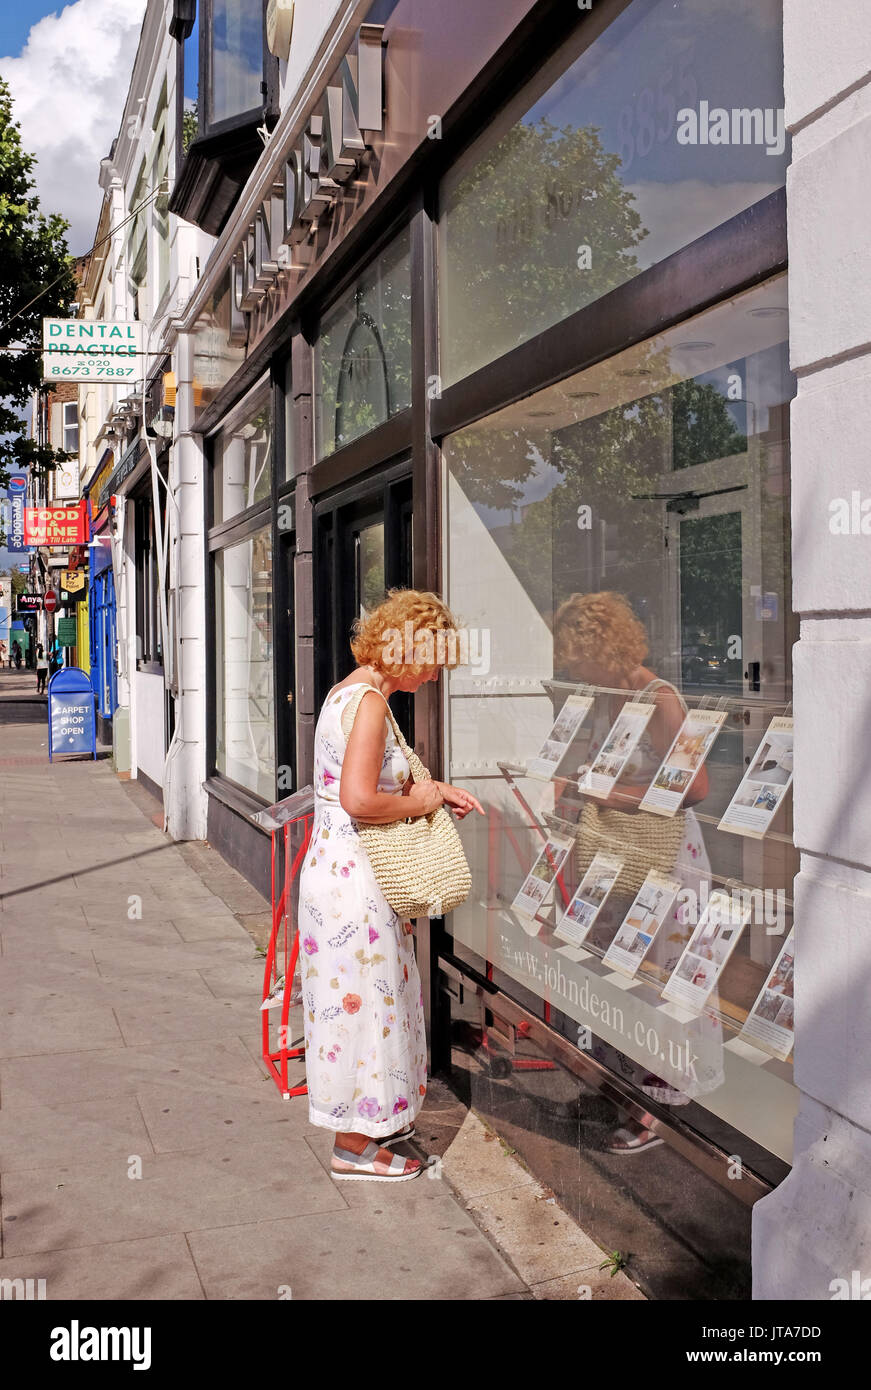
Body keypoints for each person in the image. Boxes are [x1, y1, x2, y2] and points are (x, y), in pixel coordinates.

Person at [298, 588, 484, 1182]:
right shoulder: (373, 703)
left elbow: (350, 789)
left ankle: (370, 1124)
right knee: (364, 1007)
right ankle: (354, 1147)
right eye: (432, 660)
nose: (433, 676)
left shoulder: (348, 692)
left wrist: (431, 792)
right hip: (356, 880)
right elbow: (358, 799)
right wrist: (421, 800)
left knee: (356, 1004)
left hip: (339, 872)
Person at [553, 591, 721, 1153]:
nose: (573, 667)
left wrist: (614, 795)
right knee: (620, 967)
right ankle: (624, 1088)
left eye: (579, 656)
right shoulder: (609, 697)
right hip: (619, 853)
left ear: (603, 647)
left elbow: (694, 788)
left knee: (659, 975)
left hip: (663, 855)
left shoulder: (661, 698)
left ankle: (657, 1109)